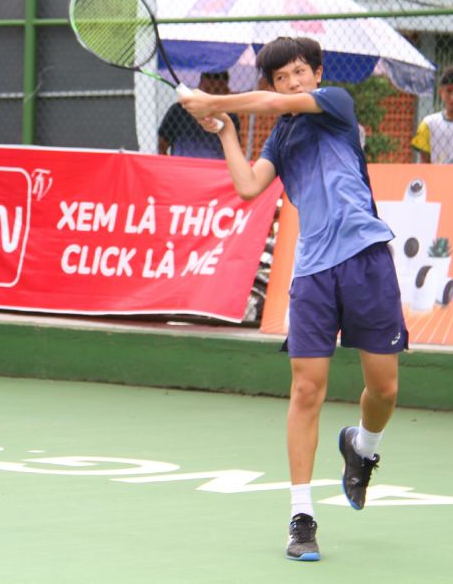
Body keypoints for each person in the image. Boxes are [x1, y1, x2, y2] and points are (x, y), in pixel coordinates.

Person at [182, 37, 404, 564]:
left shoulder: (336, 103)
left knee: (385, 389)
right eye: (281, 77)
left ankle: (361, 448)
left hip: (366, 259)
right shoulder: (281, 138)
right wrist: (226, 129)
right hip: (313, 273)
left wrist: (213, 100)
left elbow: (270, 103)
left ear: (317, 73)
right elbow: (247, 185)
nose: (292, 82)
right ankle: (301, 517)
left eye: (300, 71)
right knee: (306, 390)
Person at [158, 71, 242, 157]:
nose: (210, 96)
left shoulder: (230, 117)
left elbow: (235, 151)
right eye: (207, 89)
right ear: (199, 88)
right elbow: (161, 146)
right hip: (182, 165)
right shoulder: (179, 110)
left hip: (217, 165)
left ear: (226, 92)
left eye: (216, 91)